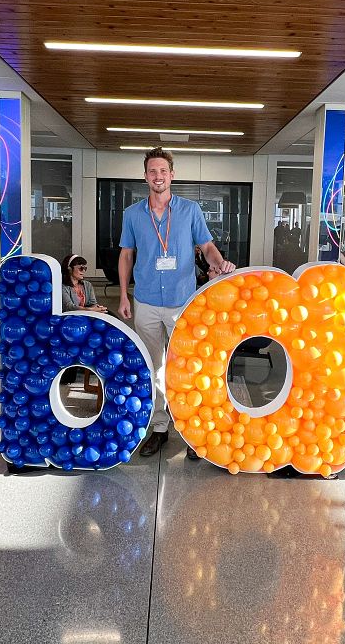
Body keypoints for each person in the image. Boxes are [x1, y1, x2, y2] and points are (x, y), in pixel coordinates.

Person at [118, 147, 235, 457]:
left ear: (172, 175)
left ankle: (191, 432)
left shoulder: (190, 210)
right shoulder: (132, 214)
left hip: (182, 301)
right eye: (152, 171)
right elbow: (126, 255)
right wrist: (123, 295)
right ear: (145, 176)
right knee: (154, 367)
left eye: (163, 171)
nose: (158, 176)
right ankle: (159, 427)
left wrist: (219, 263)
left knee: (186, 366)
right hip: (145, 300)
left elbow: (206, 246)